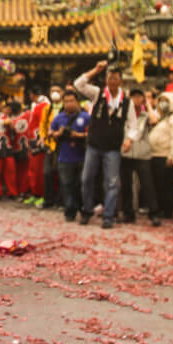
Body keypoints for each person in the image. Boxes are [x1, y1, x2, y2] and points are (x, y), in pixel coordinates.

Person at [74, 60, 139, 229]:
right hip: (94, 144)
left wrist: (129, 139)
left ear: (121, 81)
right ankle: (87, 210)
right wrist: (95, 70)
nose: (112, 81)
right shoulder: (98, 94)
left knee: (111, 182)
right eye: (109, 78)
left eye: (116, 78)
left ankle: (108, 216)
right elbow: (78, 84)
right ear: (106, 80)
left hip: (113, 148)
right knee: (87, 178)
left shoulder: (127, 102)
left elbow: (133, 125)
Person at [120, 89, 161, 226]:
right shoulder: (123, 114)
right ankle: (128, 213)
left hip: (142, 154)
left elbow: (154, 119)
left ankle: (154, 213)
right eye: (133, 97)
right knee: (126, 184)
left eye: (139, 97)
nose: (136, 100)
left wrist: (148, 104)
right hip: (125, 153)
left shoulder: (145, 115)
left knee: (147, 184)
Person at [49, 89, 90, 222]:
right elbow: (50, 132)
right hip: (64, 156)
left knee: (81, 185)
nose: (68, 104)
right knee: (66, 185)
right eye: (66, 101)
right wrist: (58, 133)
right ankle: (69, 211)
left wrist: (78, 135)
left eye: (71, 101)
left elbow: (92, 134)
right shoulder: (59, 117)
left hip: (82, 156)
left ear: (77, 102)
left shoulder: (85, 117)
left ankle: (84, 210)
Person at [147, 90, 173, 220]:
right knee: (155, 184)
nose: (162, 104)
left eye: (166, 101)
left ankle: (167, 210)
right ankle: (157, 208)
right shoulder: (156, 116)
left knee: (165, 185)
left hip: (165, 155)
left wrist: (172, 155)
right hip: (152, 154)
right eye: (160, 101)